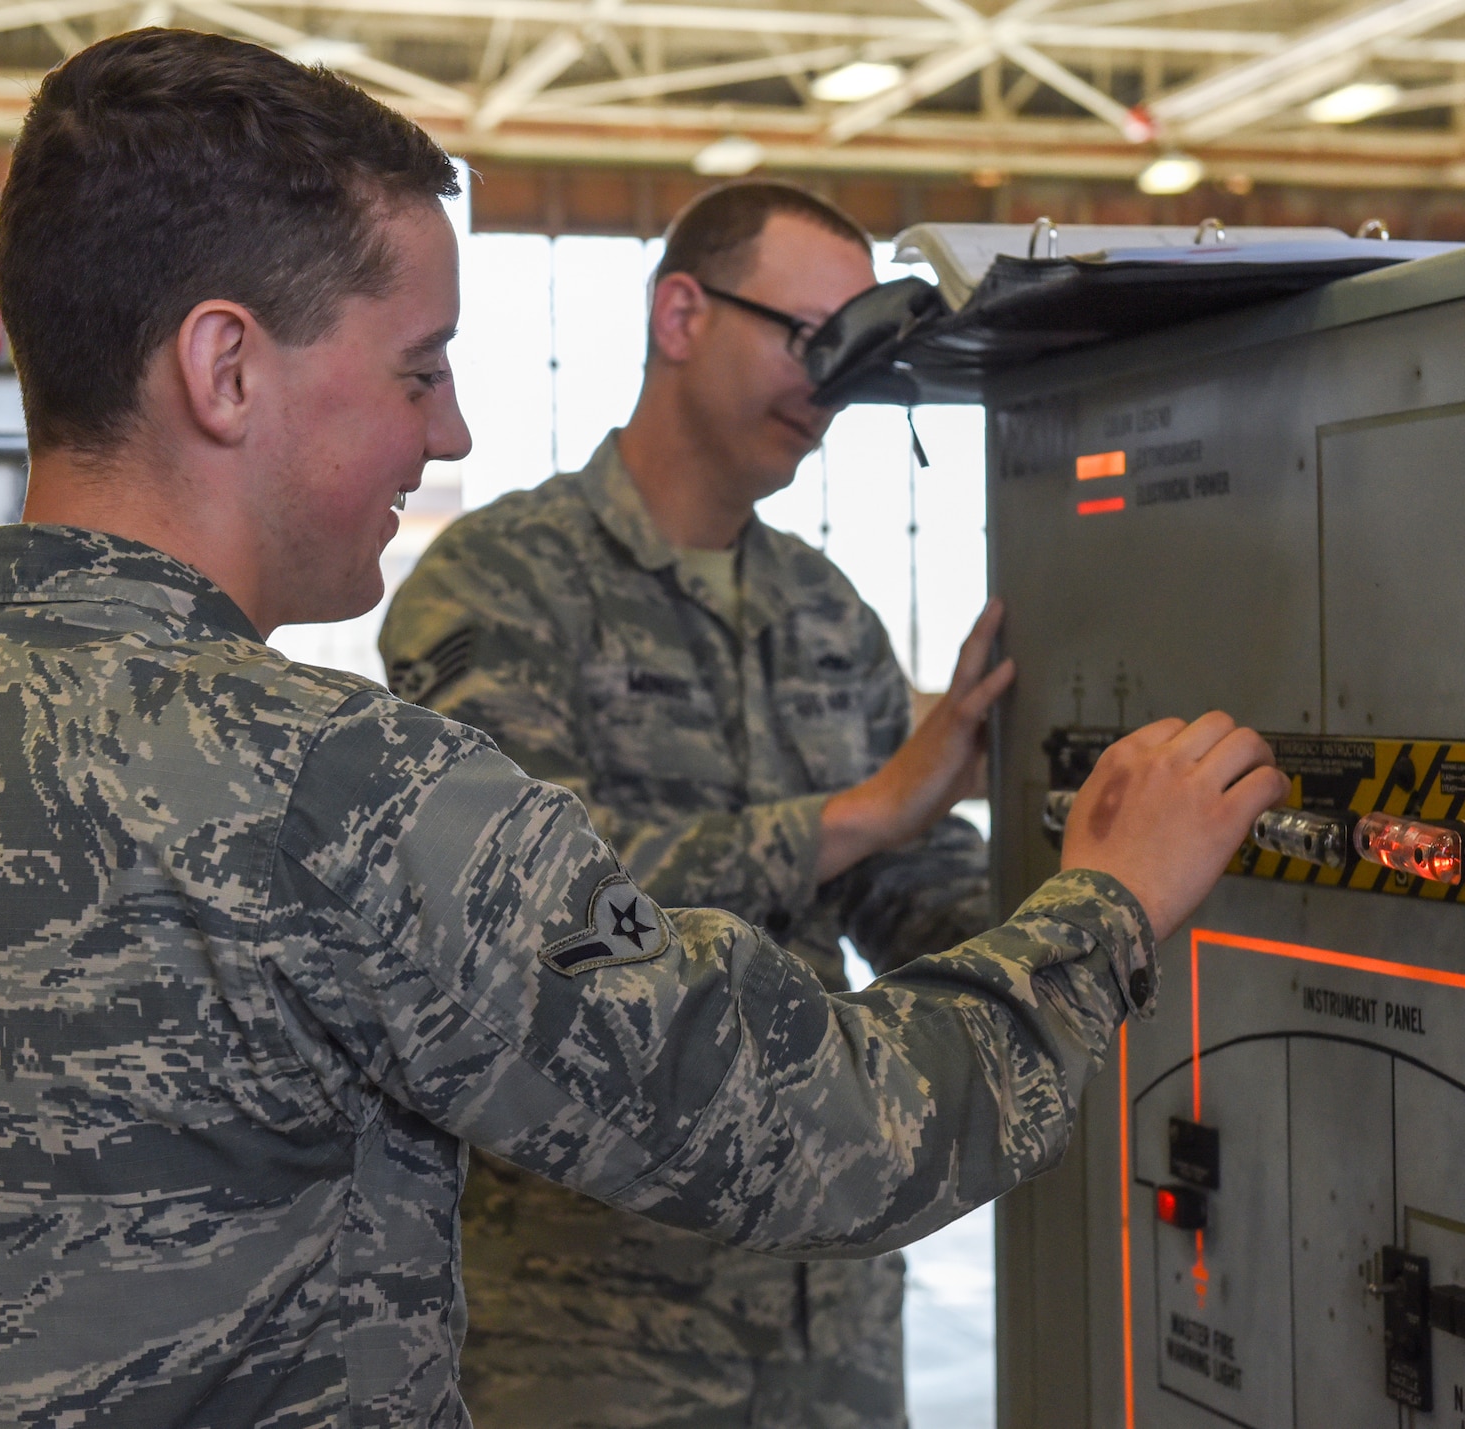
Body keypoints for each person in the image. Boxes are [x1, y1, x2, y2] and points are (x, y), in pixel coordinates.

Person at [0, 29, 1287, 1429]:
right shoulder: (339, 793)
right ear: (226, 370)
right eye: (417, 368)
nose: (453, 428)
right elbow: (840, 1125)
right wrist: (1111, 903)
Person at [376, 181, 1007, 1428]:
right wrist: (858, 813)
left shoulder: (826, 609)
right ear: (680, 312)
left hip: (823, 1306)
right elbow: (536, 914)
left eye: (860, 350)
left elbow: (912, 888)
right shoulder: (496, 586)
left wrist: (1100, 903)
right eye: (807, 335)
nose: (832, 382)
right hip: (595, 1330)